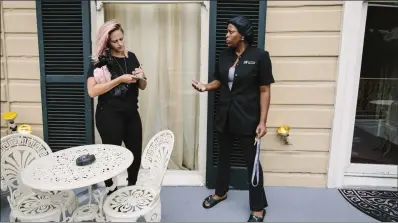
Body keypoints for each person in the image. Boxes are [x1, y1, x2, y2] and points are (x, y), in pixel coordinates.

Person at [192, 16, 274, 222]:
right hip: (225, 116)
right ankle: (220, 193)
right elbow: (219, 80)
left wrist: (263, 121)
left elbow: (264, 90)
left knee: (252, 163)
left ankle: (257, 208)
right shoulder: (224, 55)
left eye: (230, 32)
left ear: (243, 35)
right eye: (226, 31)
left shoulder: (260, 56)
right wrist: (205, 86)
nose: (226, 35)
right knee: (223, 158)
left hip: (248, 119)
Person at [87, 20, 147, 194]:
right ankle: (111, 189)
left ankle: (132, 187)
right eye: (115, 41)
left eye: (122, 39)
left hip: (131, 113)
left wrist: (142, 77)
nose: (120, 44)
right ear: (106, 41)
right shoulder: (99, 62)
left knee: (135, 153)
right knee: (111, 156)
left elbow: (142, 86)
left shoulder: (132, 57)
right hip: (109, 116)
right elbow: (92, 91)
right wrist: (119, 80)